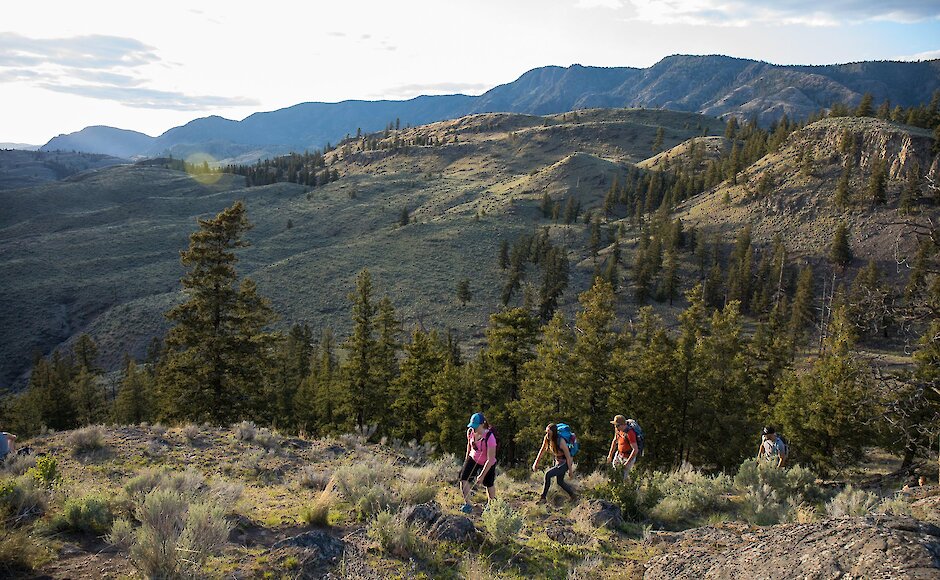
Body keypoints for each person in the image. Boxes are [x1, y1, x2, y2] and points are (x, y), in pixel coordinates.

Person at [459, 412, 497, 514]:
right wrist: (466, 461)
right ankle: (468, 504)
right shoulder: (470, 432)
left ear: (482, 424)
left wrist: (481, 475)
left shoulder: (490, 438)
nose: (474, 428)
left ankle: (491, 505)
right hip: (473, 458)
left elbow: (490, 459)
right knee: (463, 479)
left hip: (488, 462)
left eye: (476, 426)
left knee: (488, 484)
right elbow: (469, 446)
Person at [532, 423, 577, 503]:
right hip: (558, 461)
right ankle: (573, 496)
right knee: (560, 482)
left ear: (553, 432)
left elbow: (568, 456)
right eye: (546, 432)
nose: (547, 434)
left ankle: (543, 498)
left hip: (565, 462)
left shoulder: (561, 441)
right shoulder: (547, 438)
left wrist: (570, 471)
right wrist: (536, 463)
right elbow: (542, 450)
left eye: (548, 432)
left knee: (548, 474)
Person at [606, 415, 639, 480]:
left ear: (623, 425)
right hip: (619, 455)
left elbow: (635, 450)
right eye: (615, 425)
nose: (615, 427)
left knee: (623, 478)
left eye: (617, 425)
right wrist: (610, 455)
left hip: (627, 457)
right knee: (614, 474)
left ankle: (626, 489)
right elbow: (615, 441)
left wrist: (627, 463)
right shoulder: (618, 430)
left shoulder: (630, 433)